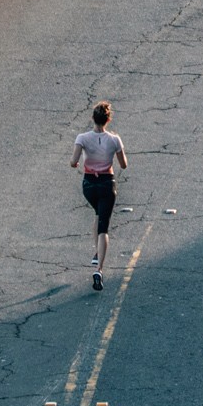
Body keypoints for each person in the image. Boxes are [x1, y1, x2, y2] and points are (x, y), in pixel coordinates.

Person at [70, 101, 129, 290]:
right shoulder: (114, 140)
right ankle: (99, 269)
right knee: (103, 226)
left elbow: (73, 161)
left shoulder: (82, 138)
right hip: (106, 184)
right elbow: (124, 164)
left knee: (98, 214)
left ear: (92, 118)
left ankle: (97, 253)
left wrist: (78, 163)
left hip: (89, 185)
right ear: (108, 119)